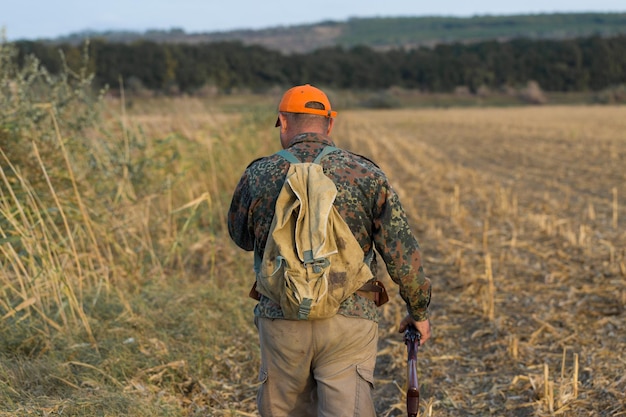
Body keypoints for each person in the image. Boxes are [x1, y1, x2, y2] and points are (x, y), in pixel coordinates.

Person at [228, 84, 432, 417]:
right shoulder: (365, 173)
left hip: (282, 320)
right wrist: (419, 312)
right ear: (330, 125)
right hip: (350, 319)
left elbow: (241, 237)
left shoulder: (258, 175)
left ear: (283, 121)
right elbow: (401, 254)